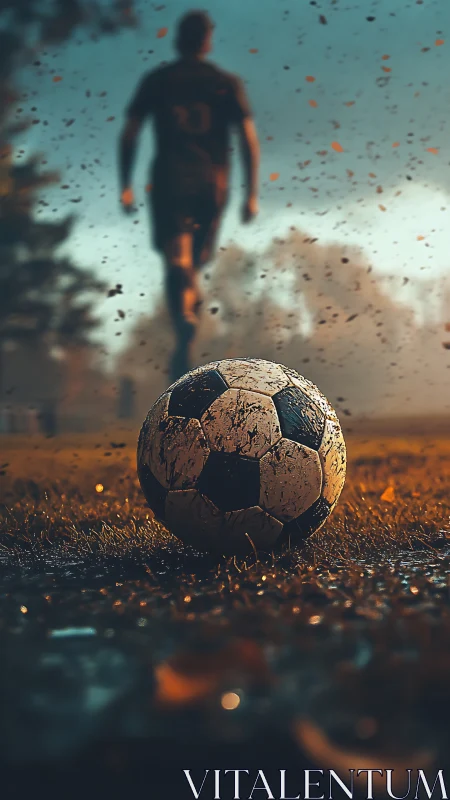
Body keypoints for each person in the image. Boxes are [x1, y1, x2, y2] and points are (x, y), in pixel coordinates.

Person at [118, 9, 260, 381]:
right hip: (212, 183)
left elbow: (130, 134)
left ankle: (184, 314)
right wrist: (252, 193)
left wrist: (125, 185)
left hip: (169, 178)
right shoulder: (225, 82)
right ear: (207, 41)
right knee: (195, 262)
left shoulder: (157, 80)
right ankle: (189, 305)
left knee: (176, 259)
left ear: (177, 39)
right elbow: (248, 139)